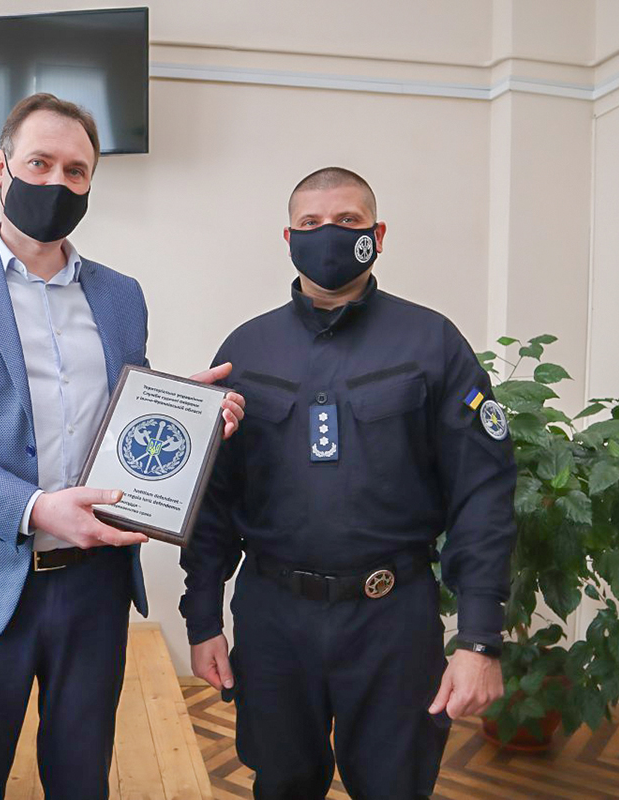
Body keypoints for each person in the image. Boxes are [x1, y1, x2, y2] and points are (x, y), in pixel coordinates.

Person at [0, 93, 244, 799]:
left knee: (83, 780)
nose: (57, 182)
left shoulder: (121, 295)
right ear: (1, 168)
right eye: (39, 163)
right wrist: (35, 507)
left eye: (76, 171)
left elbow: (121, 420)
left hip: (93, 585)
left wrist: (187, 416)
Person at [180, 167, 517, 799]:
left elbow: (483, 493)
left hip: (393, 619)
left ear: (378, 235)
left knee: (395, 787)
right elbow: (214, 499)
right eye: (310, 224)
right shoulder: (245, 350)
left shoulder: (432, 342)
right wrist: (203, 617)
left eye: (348, 221)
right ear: (288, 239)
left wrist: (479, 638)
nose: (328, 234)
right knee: (282, 784)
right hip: (273, 620)